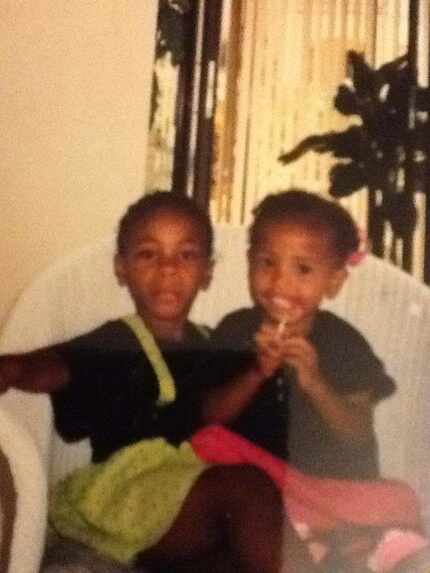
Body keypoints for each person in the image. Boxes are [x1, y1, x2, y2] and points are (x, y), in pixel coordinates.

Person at [0, 191, 315, 573]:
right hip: (132, 500)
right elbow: (54, 366)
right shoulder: (115, 341)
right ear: (122, 267)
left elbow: (238, 417)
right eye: (149, 254)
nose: (168, 268)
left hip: (195, 512)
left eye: (186, 255)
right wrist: (14, 368)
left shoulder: (217, 345)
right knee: (247, 488)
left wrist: (263, 368)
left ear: (207, 271)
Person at [192, 189, 428, 571]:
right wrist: (256, 373)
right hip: (260, 490)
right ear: (249, 262)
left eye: (302, 269)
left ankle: (328, 537)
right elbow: (210, 415)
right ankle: (330, 541)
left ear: (333, 281)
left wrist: (315, 381)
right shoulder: (235, 330)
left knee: (398, 498)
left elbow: (357, 433)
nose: (280, 282)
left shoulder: (345, 344)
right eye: (267, 262)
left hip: (330, 488)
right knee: (210, 451)